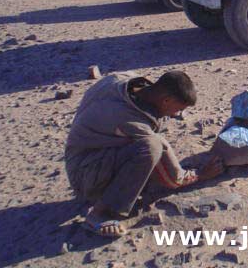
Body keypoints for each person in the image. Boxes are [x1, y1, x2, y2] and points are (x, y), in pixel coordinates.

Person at [65, 70, 224, 238]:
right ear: (166, 100)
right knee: (150, 147)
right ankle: (101, 213)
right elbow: (173, 176)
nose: (176, 114)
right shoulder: (131, 121)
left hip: (81, 154)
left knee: (146, 148)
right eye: (178, 109)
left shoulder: (122, 80)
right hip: (85, 176)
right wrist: (199, 175)